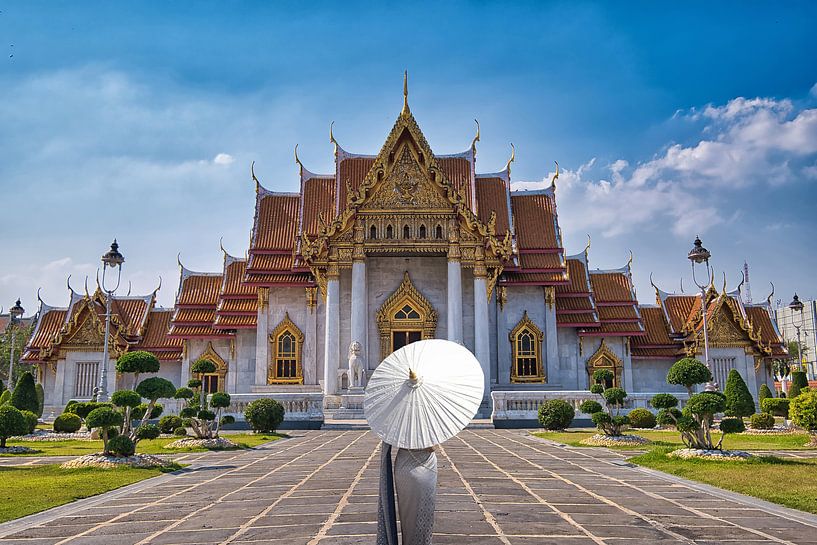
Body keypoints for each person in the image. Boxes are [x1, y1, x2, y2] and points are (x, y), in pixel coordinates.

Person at [377, 442, 437, 545]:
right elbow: (431, 447)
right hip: (424, 468)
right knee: (422, 518)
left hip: (403, 464)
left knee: (407, 517)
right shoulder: (425, 427)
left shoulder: (400, 426)